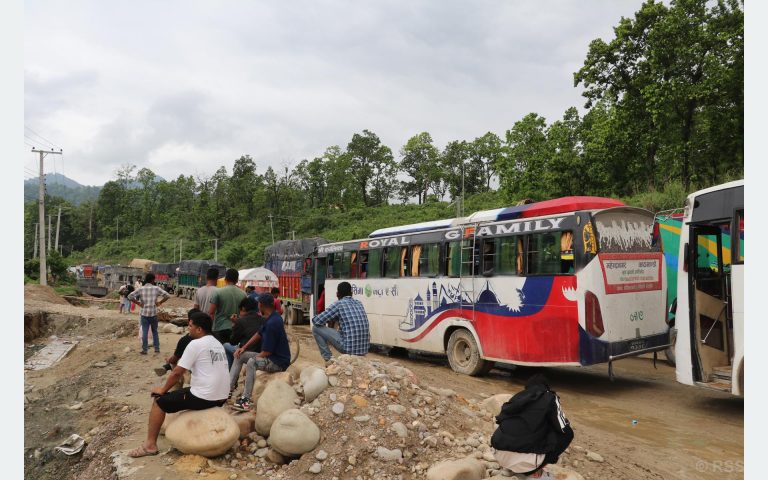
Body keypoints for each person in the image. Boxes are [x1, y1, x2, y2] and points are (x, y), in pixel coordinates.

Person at [128, 312, 229, 458]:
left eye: (190, 326)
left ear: (199, 329)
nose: (189, 329)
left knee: (159, 401)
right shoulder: (216, 343)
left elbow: (177, 373)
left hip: (205, 396)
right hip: (221, 396)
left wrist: (162, 390)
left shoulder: (195, 344)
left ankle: (149, 446)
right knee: (182, 394)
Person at [490, 374, 574, 479]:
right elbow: (563, 428)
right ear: (546, 387)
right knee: (568, 433)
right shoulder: (549, 397)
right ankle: (534, 470)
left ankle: (511, 467)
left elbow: (501, 419)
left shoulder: (517, 397)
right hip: (526, 463)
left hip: (498, 454)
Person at [231, 293, 291, 411]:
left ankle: (246, 400)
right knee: (240, 355)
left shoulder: (272, 323)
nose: (258, 305)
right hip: (272, 356)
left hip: (278, 362)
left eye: (259, 303)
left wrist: (252, 360)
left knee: (252, 362)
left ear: (261, 305)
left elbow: (266, 352)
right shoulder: (272, 317)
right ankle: (228, 388)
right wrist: (244, 348)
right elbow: (258, 334)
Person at [311, 281, 370, 365]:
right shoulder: (359, 303)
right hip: (364, 350)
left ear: (337, 294)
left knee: (315, 328)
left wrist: (329, 319)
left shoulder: (338, 304)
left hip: (348, 349)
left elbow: (316, 321)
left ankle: (328, 360)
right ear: (351, 293)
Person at [128, 273, 170, 354]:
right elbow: (167, 295)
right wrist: (160, 302)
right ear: (152, 280)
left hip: (144, 313)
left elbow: (130, 296)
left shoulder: (141, 289)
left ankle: (145, 350)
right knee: (155, 331)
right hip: (153, 314)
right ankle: (157, 349)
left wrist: (138, 303)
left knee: (145, 332)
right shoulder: (156, 288)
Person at [154, 308, 199, 383]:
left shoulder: (186, 339)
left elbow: (175, 357)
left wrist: (169, 360)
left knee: (178, 361)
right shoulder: (212, 337)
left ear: (189, 322)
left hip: (192, 370)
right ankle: (166, 367)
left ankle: (167, 367)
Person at [223, 296, 265, 369]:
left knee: (226, 345)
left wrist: (234, 324)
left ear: (243, 309)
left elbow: (233, 341)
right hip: (261, 352)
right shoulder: (264, 319)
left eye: (240, 311)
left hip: (247, 352)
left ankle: (229, 371)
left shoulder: (240, 321)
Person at [208, 268, 247, 345]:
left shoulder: (218, 292)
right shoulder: (243, 294)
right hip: (236, 329)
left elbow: (211, 312)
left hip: (220, 328)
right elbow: (245, 314)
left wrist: (210, 330)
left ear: (225, 279)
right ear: (237, 280)